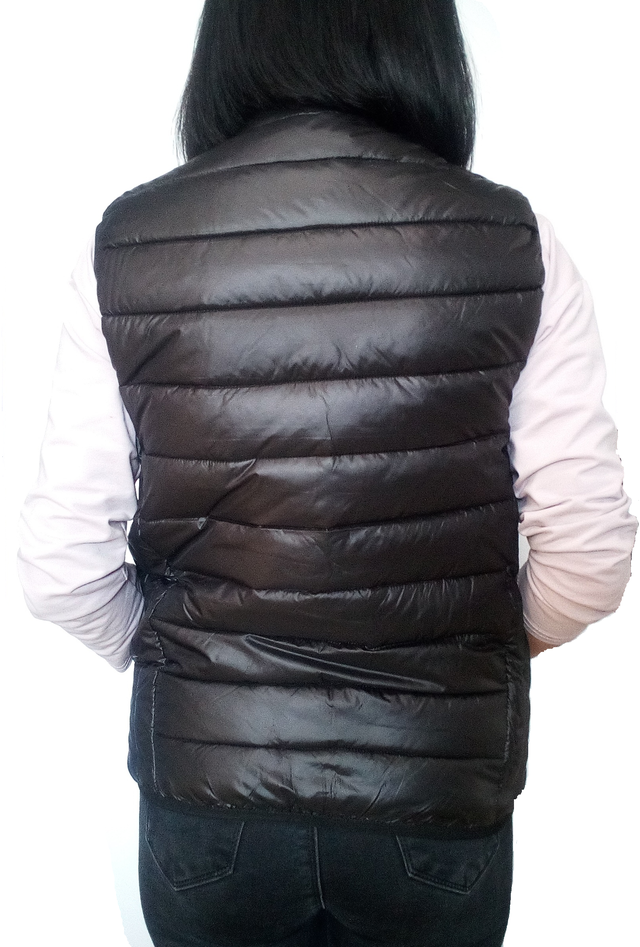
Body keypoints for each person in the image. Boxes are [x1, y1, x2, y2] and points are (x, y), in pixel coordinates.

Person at [17, 1, 636, 945]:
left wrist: (190, 663)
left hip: (212, 813)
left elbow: (60, 565)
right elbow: (589, 555)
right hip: (432, 794)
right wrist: (476, 656)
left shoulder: (130, 244)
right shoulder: (514, 241)